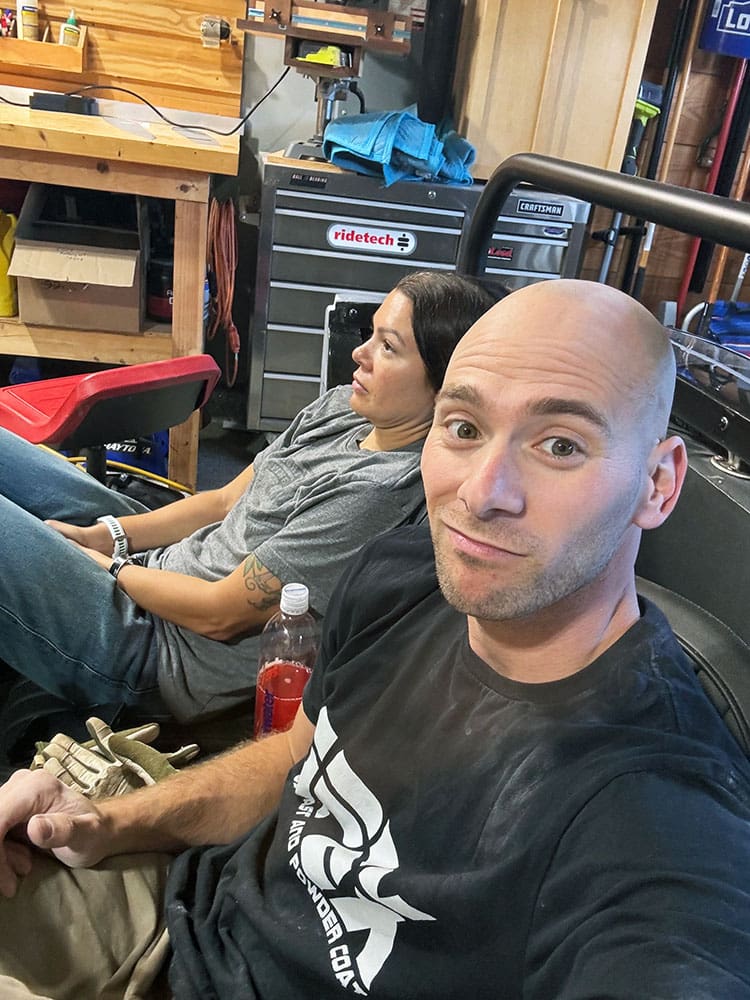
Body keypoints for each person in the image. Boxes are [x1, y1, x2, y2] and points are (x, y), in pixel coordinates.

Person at [1, 278, 750, 1000]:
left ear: (658, 483)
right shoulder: (400, 576)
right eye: (464, 428)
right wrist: (104, 821)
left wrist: (111, 563)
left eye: (559, 445)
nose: (482, 493)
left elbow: (673, 950)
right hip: (180, 911)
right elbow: (292, 760)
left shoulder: (655, 817)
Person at [0, 271, 497, 727]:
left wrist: (104, 566)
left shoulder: (375, 494)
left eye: (388, 347)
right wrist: (106, 536)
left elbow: (219, 613)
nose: (359, 354)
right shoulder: (344, 410)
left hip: (156, 648)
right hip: (161, 566)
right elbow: (222, 502)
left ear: (445, 385)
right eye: (371, 334)